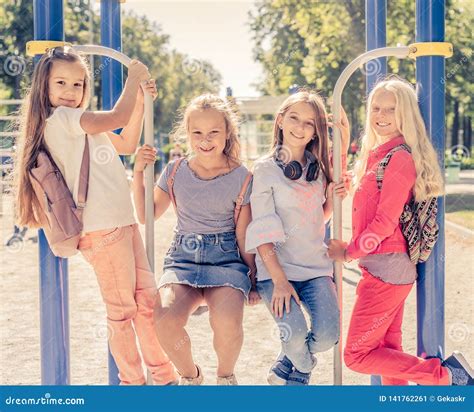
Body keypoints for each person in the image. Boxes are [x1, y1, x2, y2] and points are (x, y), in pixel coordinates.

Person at [14, 46, 177, 385]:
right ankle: (133, 383)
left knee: (147, 302)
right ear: (44, 87)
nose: (70, 93)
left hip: (123, 221)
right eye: (61, 83)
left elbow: (127, 141)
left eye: (78, 85)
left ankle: (163, 377)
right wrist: (133, 78)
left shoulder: (83, 124)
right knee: (122, 312)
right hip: (101, 231)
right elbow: (117, 117)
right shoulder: (61, 120)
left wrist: (142, 102)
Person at [328, 77, 473, 386]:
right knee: (388, 351)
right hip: (383, 267)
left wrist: (348, 252)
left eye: (390, 109)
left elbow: (384, 222)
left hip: (387, 269)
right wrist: (345, 166)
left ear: (405, 113)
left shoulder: (400, 158)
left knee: (356, 355)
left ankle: (447, 376)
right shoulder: (377, 155)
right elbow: (362, 192)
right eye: (376, 108)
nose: (381, 116)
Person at [133, 94, 259, 385]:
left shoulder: (242, 177)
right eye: (197, 133)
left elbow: (243, 232)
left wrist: (252, 275)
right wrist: (139, 171)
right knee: (163, 318)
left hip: (226, 260)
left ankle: (225, 377)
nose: (206, 139)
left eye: (214, 132)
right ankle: (191, 377)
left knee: (227, 322)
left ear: (227, 132)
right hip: (183, 260)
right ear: (187, 134)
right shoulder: (175, 172)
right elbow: (146, 215)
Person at [245, 90, 349, 385]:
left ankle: (287, 366)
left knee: (330, 335)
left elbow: (321, 217)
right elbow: (262, 230)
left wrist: (331, 199)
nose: (300, 127)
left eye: (309, 122)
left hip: (315, 268)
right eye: (294, 118)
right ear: (280, 120)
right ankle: (299, 376)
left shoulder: (319, 170)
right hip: (276, 272)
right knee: (295, 337)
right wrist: (279, 280)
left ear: (316, 131)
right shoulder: (265, 169)